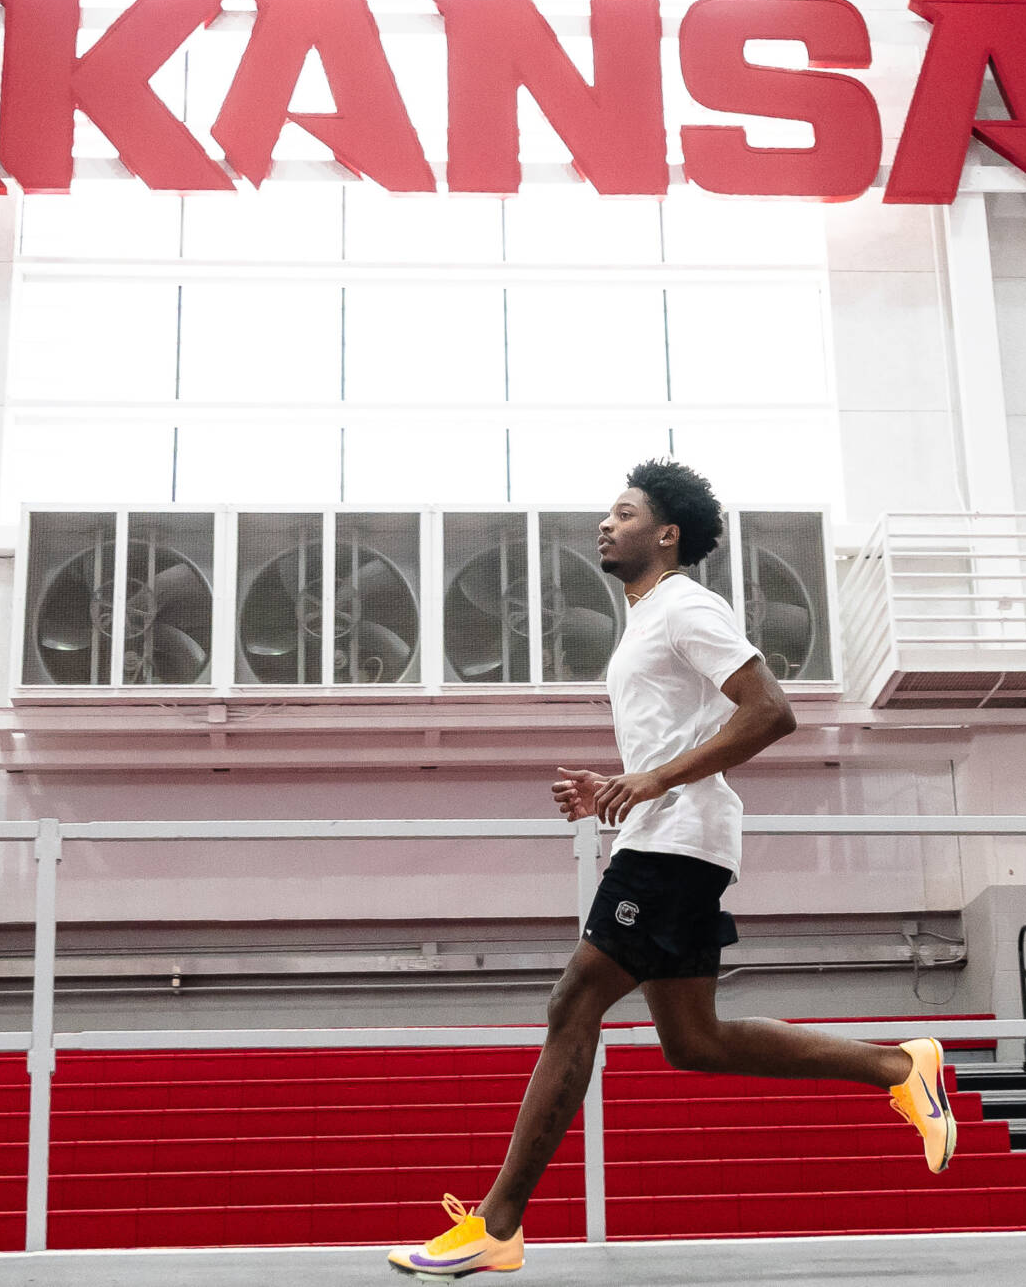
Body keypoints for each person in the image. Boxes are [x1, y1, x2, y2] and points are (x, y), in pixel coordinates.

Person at [389, 460, 954, 1279]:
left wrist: (654, 781)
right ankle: (900, 1066)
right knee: (695, 1040)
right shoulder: (648, 618)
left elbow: (773, 712)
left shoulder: (686, 604)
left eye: (622, 514)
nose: (603, 525)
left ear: (667, 534)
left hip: (677, 839)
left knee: (573, 999)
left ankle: (496, 1225)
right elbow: (674, 736)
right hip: (665, 832)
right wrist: (613, 784)